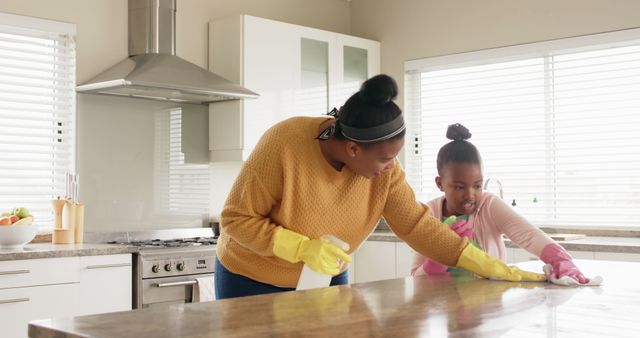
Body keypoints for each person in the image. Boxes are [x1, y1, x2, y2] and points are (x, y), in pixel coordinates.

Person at [215, 74, 545, 299]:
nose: (391, 168)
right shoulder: (284, 145)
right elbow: (235, 220)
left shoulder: (385, 173)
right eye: (385, 159)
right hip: (250, 280)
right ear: (354, 149)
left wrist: (482, 262)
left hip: (325, 279)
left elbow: (416, 226)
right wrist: (300, 248)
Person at [411, 123, 589, 284]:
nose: (470, 195)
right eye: (459, 187)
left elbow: (529, 236)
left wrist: (562, 260)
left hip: (488, 306)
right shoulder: (428, 215)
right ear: (439, 183)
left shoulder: (488, 205)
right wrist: (440, 257)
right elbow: (414, 278)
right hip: (442, 308)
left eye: (477, 185)